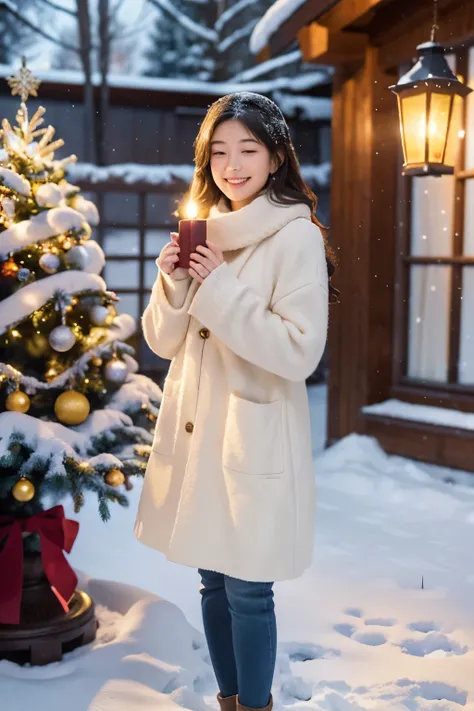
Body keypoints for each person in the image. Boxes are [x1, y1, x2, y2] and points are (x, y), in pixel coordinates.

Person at [134, 92, 337, 711]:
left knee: (249, 590)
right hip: (199, 435)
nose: (233, 164)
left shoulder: (294, 236)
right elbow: (164, 342)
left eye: (248, 149)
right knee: (212, 582)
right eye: (219, 151)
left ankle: (255, 706)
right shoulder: (203, 229)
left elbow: (299, 352)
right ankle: (228, 700)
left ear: (276, 156)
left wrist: (218, 285)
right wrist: (173, 282)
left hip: (251, 440)